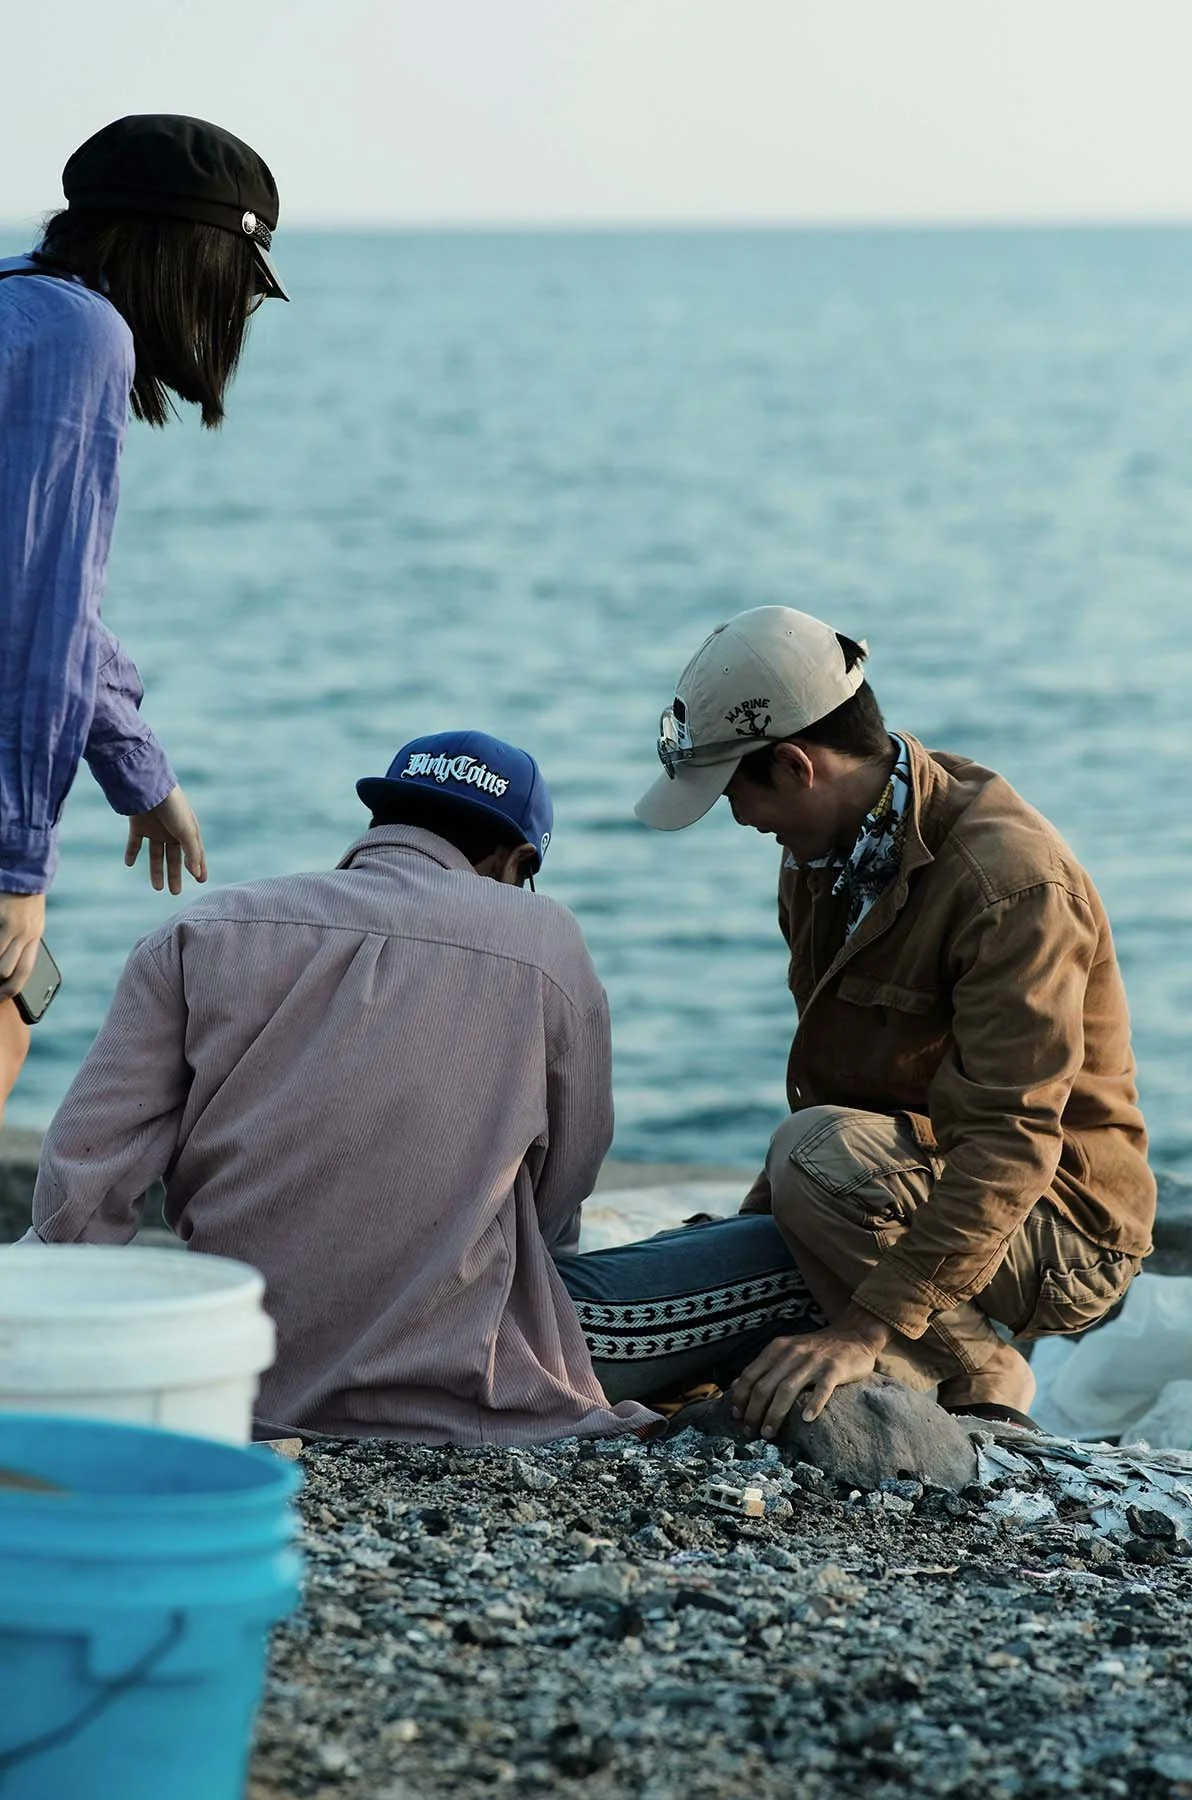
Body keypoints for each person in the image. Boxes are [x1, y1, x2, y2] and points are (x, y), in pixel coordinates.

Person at [27, 728, 821, 1443]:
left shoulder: (201, 931)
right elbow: (559, 1193)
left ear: (384, 825)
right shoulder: (545, 945)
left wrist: (78, 1353)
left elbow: (84, 1185)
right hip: (471, 1376)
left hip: (241, 1366)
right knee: (786, 1252)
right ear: (518, 864)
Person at [635, 605, 1155, 1438]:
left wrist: (862, 1330)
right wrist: (757, 1229)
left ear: (798, 767)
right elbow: (832, 1089)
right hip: (898, 1179)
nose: (738, 819)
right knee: (730, 1254)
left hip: (1058, 1224)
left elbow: (1012, 1140)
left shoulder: (1009, 884)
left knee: (811, 1158)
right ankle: (907, 1353)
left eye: (735, 790)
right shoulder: (818, 857)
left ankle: (980, 1371)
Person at [0, 113, 289, 1119]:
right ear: (189, 255)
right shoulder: (83, 338)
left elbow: (42, 592)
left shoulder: (16, 301)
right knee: (6, 1011)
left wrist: (134, 762)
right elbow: (32, 610)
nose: (231, 313)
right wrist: (16, 863)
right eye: (238, 280)